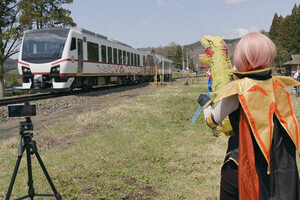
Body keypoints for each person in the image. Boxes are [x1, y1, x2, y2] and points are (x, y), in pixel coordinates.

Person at [198, 32, 300, 199]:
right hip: (278, 166)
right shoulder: (280, 85)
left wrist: (205, 104)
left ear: (241, 58)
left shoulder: (236, 90)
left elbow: (212, 121)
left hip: (242, 165)